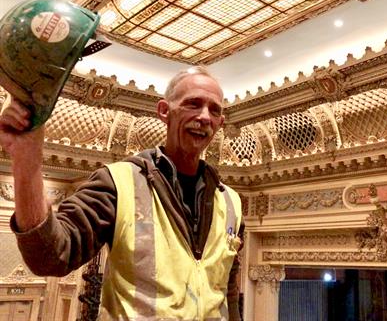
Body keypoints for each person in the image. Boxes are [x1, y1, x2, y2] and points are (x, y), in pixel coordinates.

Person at [0, 66, 244, 320]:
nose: (205, 116)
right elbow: (50, 257)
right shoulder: (118, 182)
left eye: (214, 110)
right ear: (164, 111)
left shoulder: (231, 202)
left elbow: (229, 292)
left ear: (220, 123)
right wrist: (27, 157)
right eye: (193, 104)